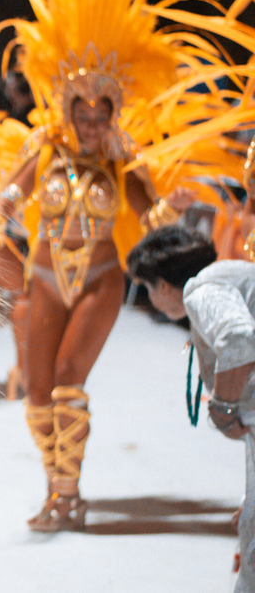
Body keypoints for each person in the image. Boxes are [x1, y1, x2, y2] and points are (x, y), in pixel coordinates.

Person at [0, 0, 218, 532]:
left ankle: (66, 494)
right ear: (65, 107)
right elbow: (7, 196)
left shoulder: (123, 161)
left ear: (113, 110)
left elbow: (157, 219)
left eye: (98, 110)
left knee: (65, 380)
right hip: (47, 275)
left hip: (102, 278)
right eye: (79, 110)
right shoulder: (44, 147)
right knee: (34, 395)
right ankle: (54, 481)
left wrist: (153, 185)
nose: (87, 121)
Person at [127, 225, 254, 590]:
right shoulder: (228, 276)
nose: (152, 298)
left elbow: (240, 339)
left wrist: (224, 408)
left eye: (147, 288)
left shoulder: (202, 291)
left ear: (163, 286)